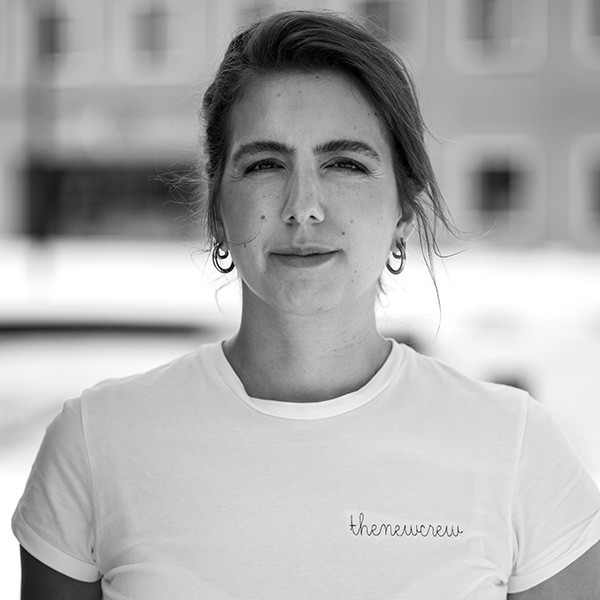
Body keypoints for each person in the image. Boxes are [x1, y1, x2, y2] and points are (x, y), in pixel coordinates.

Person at [13, 9, 600, 600]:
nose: (303, 206)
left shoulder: (516, 449)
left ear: (404, 208)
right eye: (265, 164)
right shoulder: (96, 442)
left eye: (345, 164)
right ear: (217, 208)